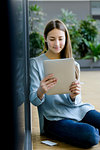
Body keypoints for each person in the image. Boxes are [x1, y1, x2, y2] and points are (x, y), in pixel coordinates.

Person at [29, 19, 100, 148]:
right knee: (91, 135)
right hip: (54, 118)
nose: (57, 43)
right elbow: (34, 100)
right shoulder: (35, 64)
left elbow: (77, 101)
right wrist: (41, 91)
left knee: (93, 128)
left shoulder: (74, 64)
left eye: (61, 39)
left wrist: (74, 95)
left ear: (66, 39)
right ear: (45, 38)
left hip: (78, 110)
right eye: (52, 39)